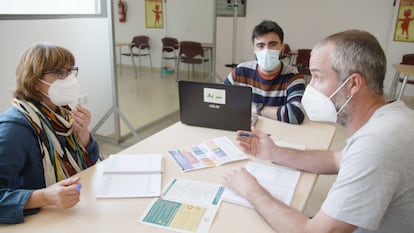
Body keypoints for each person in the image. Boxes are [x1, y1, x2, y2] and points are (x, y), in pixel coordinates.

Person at [223, 30, 414, 232]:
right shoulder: (392, 117)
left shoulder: (377, 143)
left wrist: (252, 191)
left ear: (353, 84)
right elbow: (336, 160)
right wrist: (275, 152)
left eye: (317, 77)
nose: (310, 88)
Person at [0, 43, 100, 224]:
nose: (69, 79)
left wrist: (83, 137)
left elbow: (90, 166)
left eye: (70, 71)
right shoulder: (14, 128)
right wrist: (45, 196)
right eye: (60, 73)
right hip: (40, 221)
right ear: (35, 81)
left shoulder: (62, 114)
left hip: (74, 211)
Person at [224, 20, 305, 124]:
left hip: (280, 134)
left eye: (273, 44)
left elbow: (295, 114)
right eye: (261, 46)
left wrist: (257, 109)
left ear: (282, 48)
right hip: (248, 130)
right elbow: (223, 100)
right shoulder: (241, 71)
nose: (267, 50)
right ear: (253, 49)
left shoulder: (294, 76)